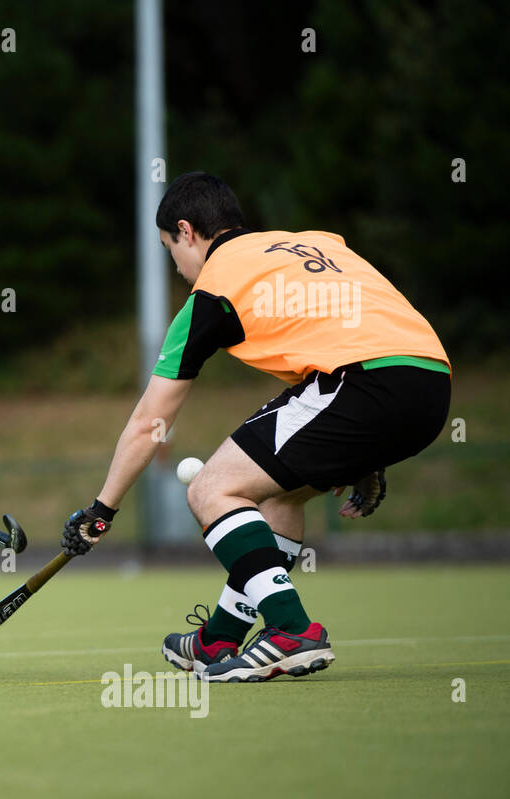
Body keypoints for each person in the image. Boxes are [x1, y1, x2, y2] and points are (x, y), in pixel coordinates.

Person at [61, 171, 451, 683]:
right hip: (432, 381)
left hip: (363, 383)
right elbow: (363, 323)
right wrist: (365, 451)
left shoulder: (213, 291)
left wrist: (102, 508)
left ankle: (292, 631)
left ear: (186, 231)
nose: (176, 266)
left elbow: (149, 422)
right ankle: (219, 638)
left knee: (211, 489)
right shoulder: (312, 243)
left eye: (169, 249)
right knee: (279, 498)